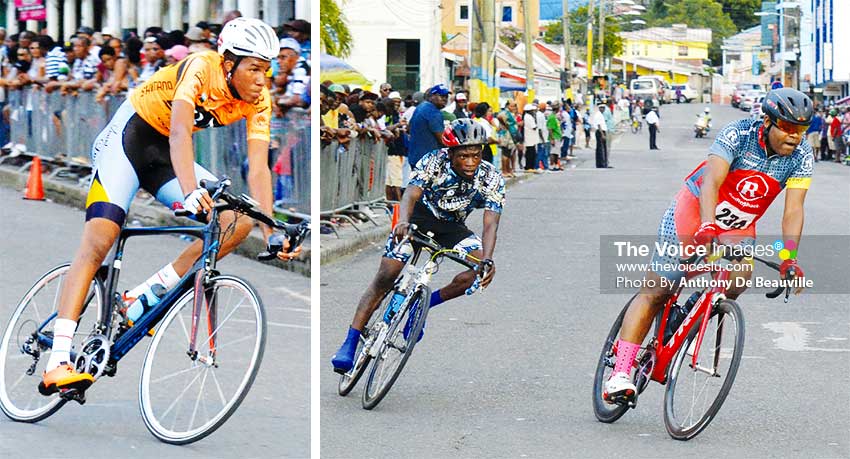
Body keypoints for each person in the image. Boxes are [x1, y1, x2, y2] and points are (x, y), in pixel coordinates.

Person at [38, 17, 302, 396]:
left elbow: (259, 166)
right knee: (100, 240)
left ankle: (143, 296)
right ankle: (58, 359)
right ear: (228, 64)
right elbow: (179, 131)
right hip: (127, 143)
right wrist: (192, 190)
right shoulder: (201, 66)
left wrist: (271, 228)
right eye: (255, 69)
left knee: (237, 221)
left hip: (164, 158)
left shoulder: (259, 99)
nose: (263, 79)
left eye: (268, 69)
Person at [603, 88, 814, 404]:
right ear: (768, 121)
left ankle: (693, 312)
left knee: (740, 277)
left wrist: (789, 258)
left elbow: (793, 210)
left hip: (740, 222)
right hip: (698, 209)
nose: (795, 137)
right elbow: (712, 183)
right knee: (658, 289)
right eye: (788, 127)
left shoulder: (802, 156)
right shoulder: (738, 134)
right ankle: (619, 374)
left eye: (801, 130)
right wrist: (706, 226)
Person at [330, 118, 505, 372]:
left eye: (476, 155)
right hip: (416, 218)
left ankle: (421, 307)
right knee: (386, 276)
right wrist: (402, 222)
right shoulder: (434, 160)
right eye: (464, 156)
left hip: (451, 227)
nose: (470, 162)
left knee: (481, 270)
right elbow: (411, 192)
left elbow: (491, 224)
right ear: (451, 152)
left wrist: (487, 259)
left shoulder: (491, 177)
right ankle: (350, 341)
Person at [407, 84, 449, 168]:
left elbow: (408, 128)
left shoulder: (421, 107)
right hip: (427, 161)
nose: (445, 99)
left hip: (416, 158)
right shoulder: (433, 112)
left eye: (446, 96)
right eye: (441, 96)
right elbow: (442, 139)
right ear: (432, 96)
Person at [591, 104, 609, 168]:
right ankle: (601, 164)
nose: (603, 109)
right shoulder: (598, 115)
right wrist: (602, 134)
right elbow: (599, 125)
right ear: (599, 108)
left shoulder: (601, 115)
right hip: (600, 132)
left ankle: (604, 163)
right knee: (600, 149)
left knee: (603, 148)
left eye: (604, 108)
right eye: (601, 108)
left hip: (602, 131)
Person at [522, 104, 539, 171]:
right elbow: (534, 127)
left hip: (530, 138)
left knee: (530, 152)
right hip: (530, 137)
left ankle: (530, 166)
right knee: (531, 153)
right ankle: (529, 166)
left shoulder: (527, 116)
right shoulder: (529, 117)